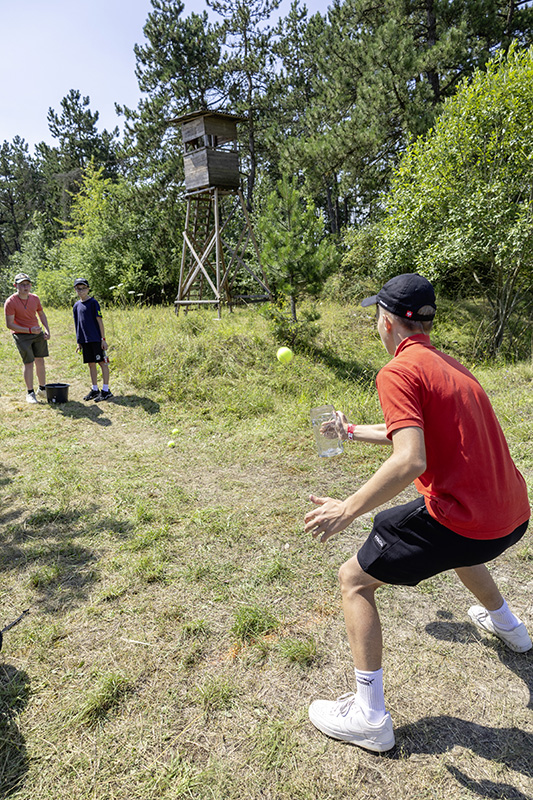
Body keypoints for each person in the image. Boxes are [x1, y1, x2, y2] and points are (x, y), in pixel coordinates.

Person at [304, 273, 531, 753]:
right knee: (457, 544)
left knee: (354, 580)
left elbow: (411, 458)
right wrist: (348, 432)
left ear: (386, 321)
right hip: (511, 516)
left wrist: (348, 508)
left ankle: (369, 717)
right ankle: (511, 629)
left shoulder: (397, 372)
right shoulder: (450, 366)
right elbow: (407, 432)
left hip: (466, 520)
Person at [4, 273, 51, 403]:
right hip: (21, 334)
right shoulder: (10, 302)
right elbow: (9, 324)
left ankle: (42, 389)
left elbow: (41, 314)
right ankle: (30, 393)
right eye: (22, 284)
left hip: (36, 332)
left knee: (40, 360)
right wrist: (29, 330)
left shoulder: (34, 298)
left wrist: (46, 329)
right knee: (29, 362)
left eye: (28, 284)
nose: (26, 287)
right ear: (15, 286)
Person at [72, 278, 113, 402]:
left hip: (96, 339)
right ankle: (95, 389)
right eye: (78, 289)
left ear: (88, 289)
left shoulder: (93, 303)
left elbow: (99, 321)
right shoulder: (76, 306)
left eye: (83, 288)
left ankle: (106, 390)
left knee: (102, 362)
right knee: (91, 364)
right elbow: (77, 324)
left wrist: (103, 339)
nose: (81, 291)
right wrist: (79, 342)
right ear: (75, 290)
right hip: (85, 340)